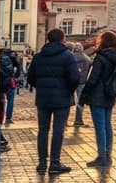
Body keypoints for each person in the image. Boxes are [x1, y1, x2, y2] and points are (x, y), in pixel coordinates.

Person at [26, 28, 80, 174]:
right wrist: (68, 90)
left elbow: (30, 78)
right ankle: (55, 163)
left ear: (48, 39)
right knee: (58, 130)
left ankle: (42, 162)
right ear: (62, 39)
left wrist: (42, 87)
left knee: (43, 130)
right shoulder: (68, 56)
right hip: (62, 99)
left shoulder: (38, 57)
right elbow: (75, 78)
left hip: (43, 99)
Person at [80, 30, 116, 168]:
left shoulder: (101, 57)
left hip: (98, 94)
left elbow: (93, 79)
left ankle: (102, 157)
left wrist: (83, 96)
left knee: (100, 126)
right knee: (107, 125)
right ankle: (108, 155)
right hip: (110, 93)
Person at [0, 47, 22, 126]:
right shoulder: (13, 59)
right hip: (10, 82)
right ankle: (8, 118)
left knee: (0, 101)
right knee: (10, 101)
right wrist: (15, 77)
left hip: (0, 83)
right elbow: (19, 70)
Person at [72, 43, 91, 126]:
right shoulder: (87, 59)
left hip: (70, 82)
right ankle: (78, 120)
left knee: (67, 101)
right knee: (80, 102)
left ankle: (64, 121)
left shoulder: (70, 57)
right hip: (82, 82)